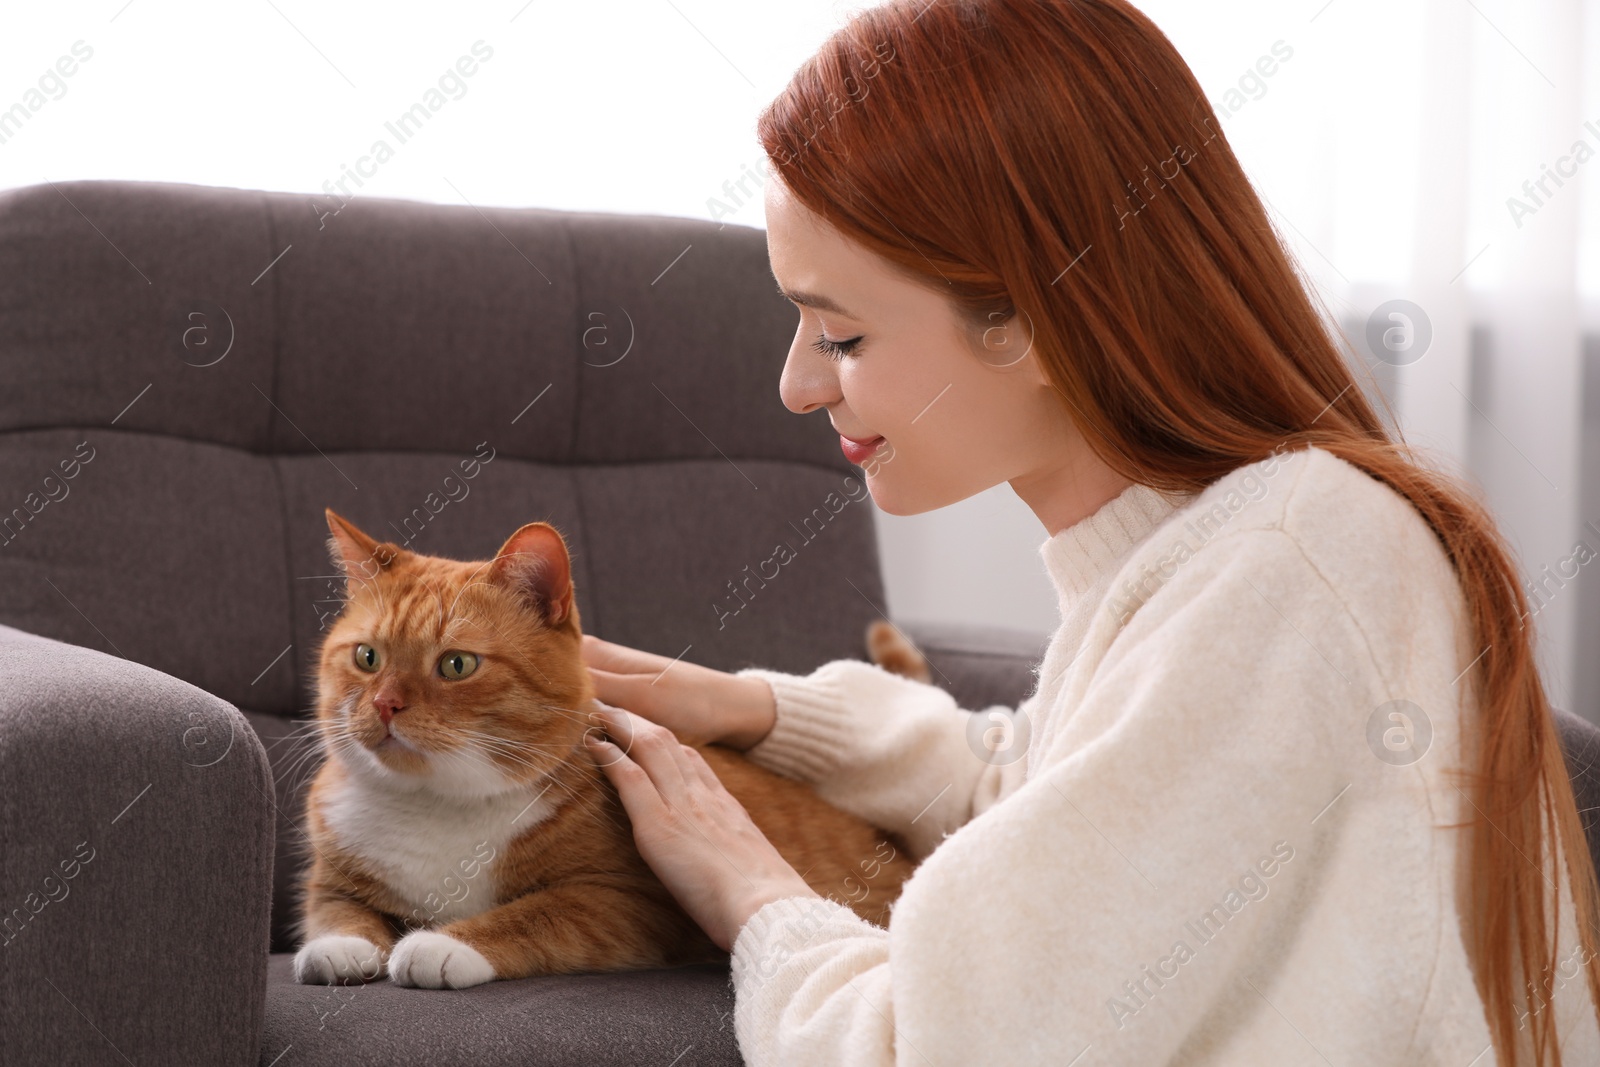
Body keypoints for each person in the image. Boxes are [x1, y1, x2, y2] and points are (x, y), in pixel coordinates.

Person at [579, 0, 1600, 1062]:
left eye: (841, 333)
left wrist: (750, 891)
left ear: (1029, 317)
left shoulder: (1292, 569)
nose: (795, 384)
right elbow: (1065, 801)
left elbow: (922, 1046)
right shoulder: (1237, 547)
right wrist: (756, 708)